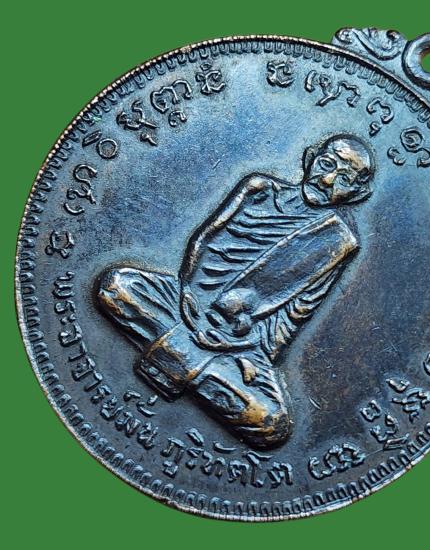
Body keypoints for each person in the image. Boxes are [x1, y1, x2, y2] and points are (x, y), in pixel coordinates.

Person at [97, 134, 374, 448]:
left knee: (271, 423)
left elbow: (292, 319)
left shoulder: (338, 242)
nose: (326, 180)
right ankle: (194, 362)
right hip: (184, 302)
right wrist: (189, 295)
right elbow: (204, 242)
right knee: (116, 286)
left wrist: (239, 341)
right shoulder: (259, 189)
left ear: (356, 193)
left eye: (344, 179)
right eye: (326, 164)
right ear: (310, 157)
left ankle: (180, 353)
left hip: (238, 341)